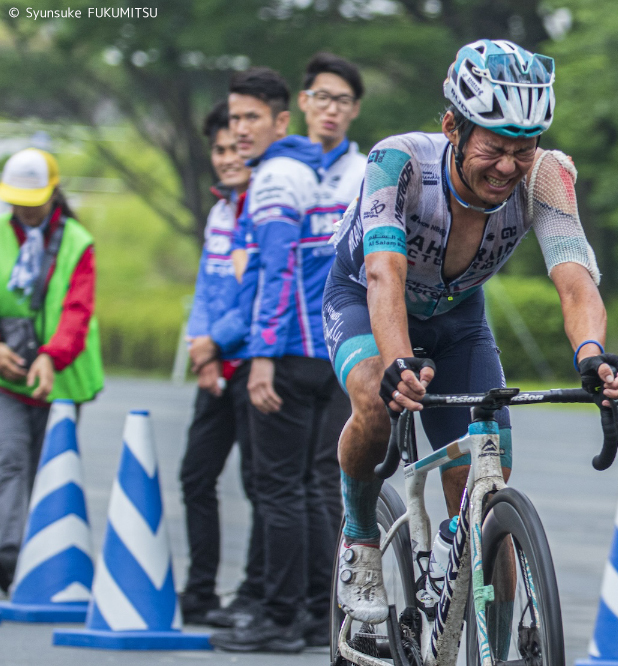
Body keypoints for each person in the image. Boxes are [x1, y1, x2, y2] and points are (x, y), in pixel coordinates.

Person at [324, 39, 618, 623]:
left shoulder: (548, 177)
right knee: (373, 396)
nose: (508, 167)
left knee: (487, 475)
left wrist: (593, 356)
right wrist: (398, 362)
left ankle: (468, 574)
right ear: (452, 127)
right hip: (365, 299)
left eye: (524, 149)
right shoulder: (398, 164)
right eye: (494, 147)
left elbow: (574, 279)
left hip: (457, 316)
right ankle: (360, 536)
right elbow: (382, 272)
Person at [209, 66, 341, 653]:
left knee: (279, 489)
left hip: (289, 351)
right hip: (323, 352)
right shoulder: (304, 169)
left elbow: (279, 271)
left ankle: (281, 618)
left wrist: (260, 354)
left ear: (281, 121)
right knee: (307, 489)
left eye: (251, 118)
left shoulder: (274, 180)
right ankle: (316, 612)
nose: (239, 131)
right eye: (234, 118)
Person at [0, 148, 103, 595]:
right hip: (6, 375)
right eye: (17, 198)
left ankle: (41, 565)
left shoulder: (78, 242)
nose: (24, 207)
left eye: (33, 198)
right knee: (9, 461)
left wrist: (51, 355)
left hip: (60, 378)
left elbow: (77, 310)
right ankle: (7, 559)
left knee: (49, 468)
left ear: (53, 193)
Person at [177, 102, 263, 625]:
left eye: (236, 148)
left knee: (261, 485)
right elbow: (208, 289)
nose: (228, 157)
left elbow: (257, 297)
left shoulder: (265, 205)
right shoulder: (220, 210)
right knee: (194, 476)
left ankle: (256, 595)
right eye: (219, 149)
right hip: (217, 365)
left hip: (256, 364)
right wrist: (199, 347)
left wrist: (215, 344)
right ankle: (200, 591)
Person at [296, 51, 367, 568]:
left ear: (354, 111)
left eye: (342, 101)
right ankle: (288, 595)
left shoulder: (367, 173)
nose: (331, 110)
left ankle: (328, 592)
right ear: (303, 102)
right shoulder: (279, 170)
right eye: (322, 98)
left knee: (326, 470)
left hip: (343, 337)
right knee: (279, 478)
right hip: (289, 342)